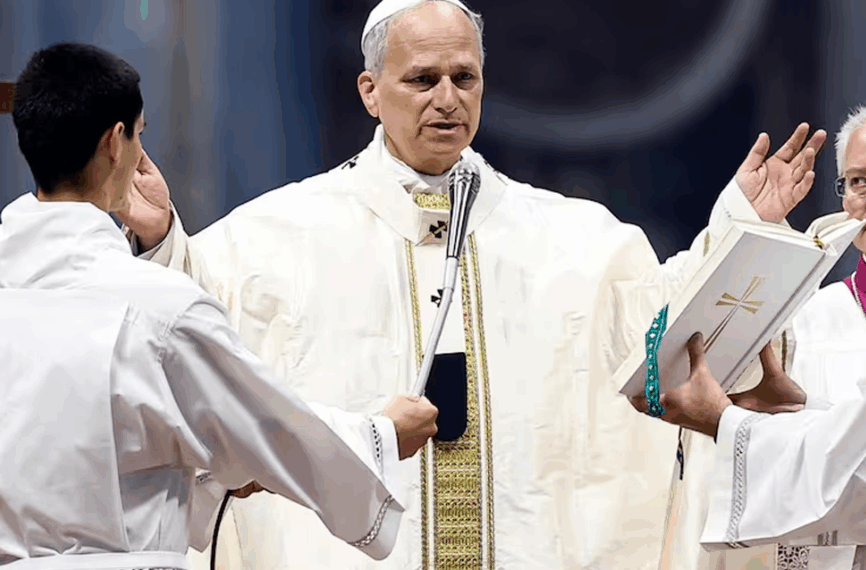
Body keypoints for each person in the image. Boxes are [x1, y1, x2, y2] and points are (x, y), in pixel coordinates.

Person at [120, 1, 826, 568]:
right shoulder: (275, 236)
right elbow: (191, 331)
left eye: (465, 78)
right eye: (423, 80)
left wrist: (738, 232)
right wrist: (159, 243)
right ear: (370, 91)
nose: (448, 99)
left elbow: (657, 339)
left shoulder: (573, 239)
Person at [0, 41, 439, 570]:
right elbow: (271, 428)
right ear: (115, 142)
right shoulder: (157, 307)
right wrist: (381, 435)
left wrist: (220, 472)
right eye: (141, 134)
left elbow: (76, 442)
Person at [634, 68, 866, 570]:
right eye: (859, 182)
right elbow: (675, 331)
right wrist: (745, 223)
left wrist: (727, 423)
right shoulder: (796, 322)